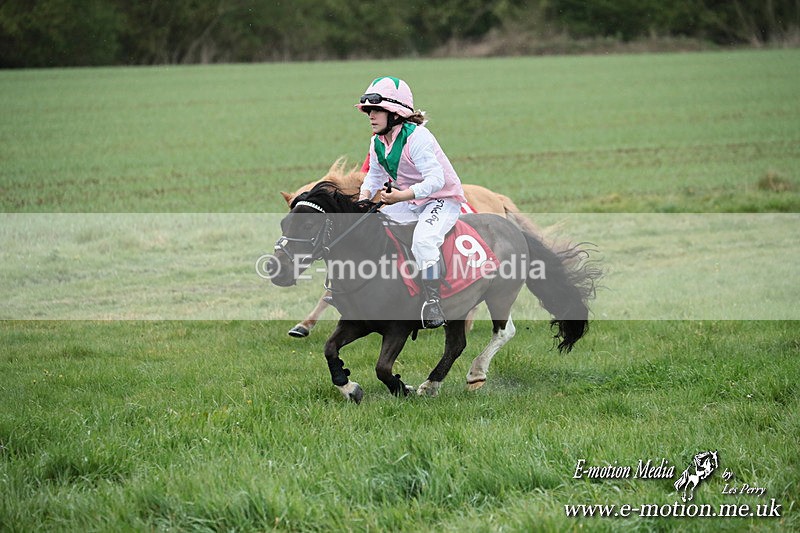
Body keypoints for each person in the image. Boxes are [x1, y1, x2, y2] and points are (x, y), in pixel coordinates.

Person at [356, 76, 466, 329]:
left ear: (395, 114)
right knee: (373, 228)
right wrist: (362, 202)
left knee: (424, 240)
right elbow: (374, 176)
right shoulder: (377, 141)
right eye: (369, 111)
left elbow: (436, 181)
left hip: (441, 199)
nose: (370, 116)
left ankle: (433, 301)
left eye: (377, 110)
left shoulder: (418, 138)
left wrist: (400, 197)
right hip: (411, 199)